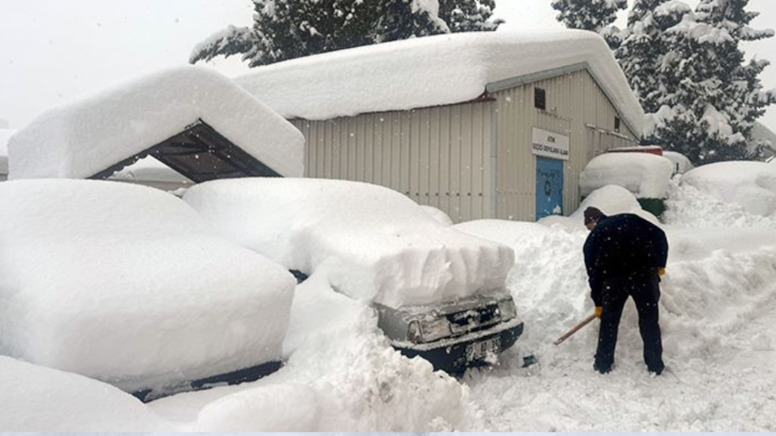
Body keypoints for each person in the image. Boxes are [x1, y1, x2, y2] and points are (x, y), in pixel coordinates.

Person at [582, 207, 668, 375]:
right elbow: (660, 236)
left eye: (588, 227)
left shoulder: (594, 237)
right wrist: (660, 263)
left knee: (609, 322)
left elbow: (594, 274)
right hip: (644, 276)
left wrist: (599, 303)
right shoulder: (631, 218)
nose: (589, 230)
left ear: (593, 220)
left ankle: (603, 363)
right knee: (649, 321)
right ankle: (655, 364)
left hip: (614, 280)